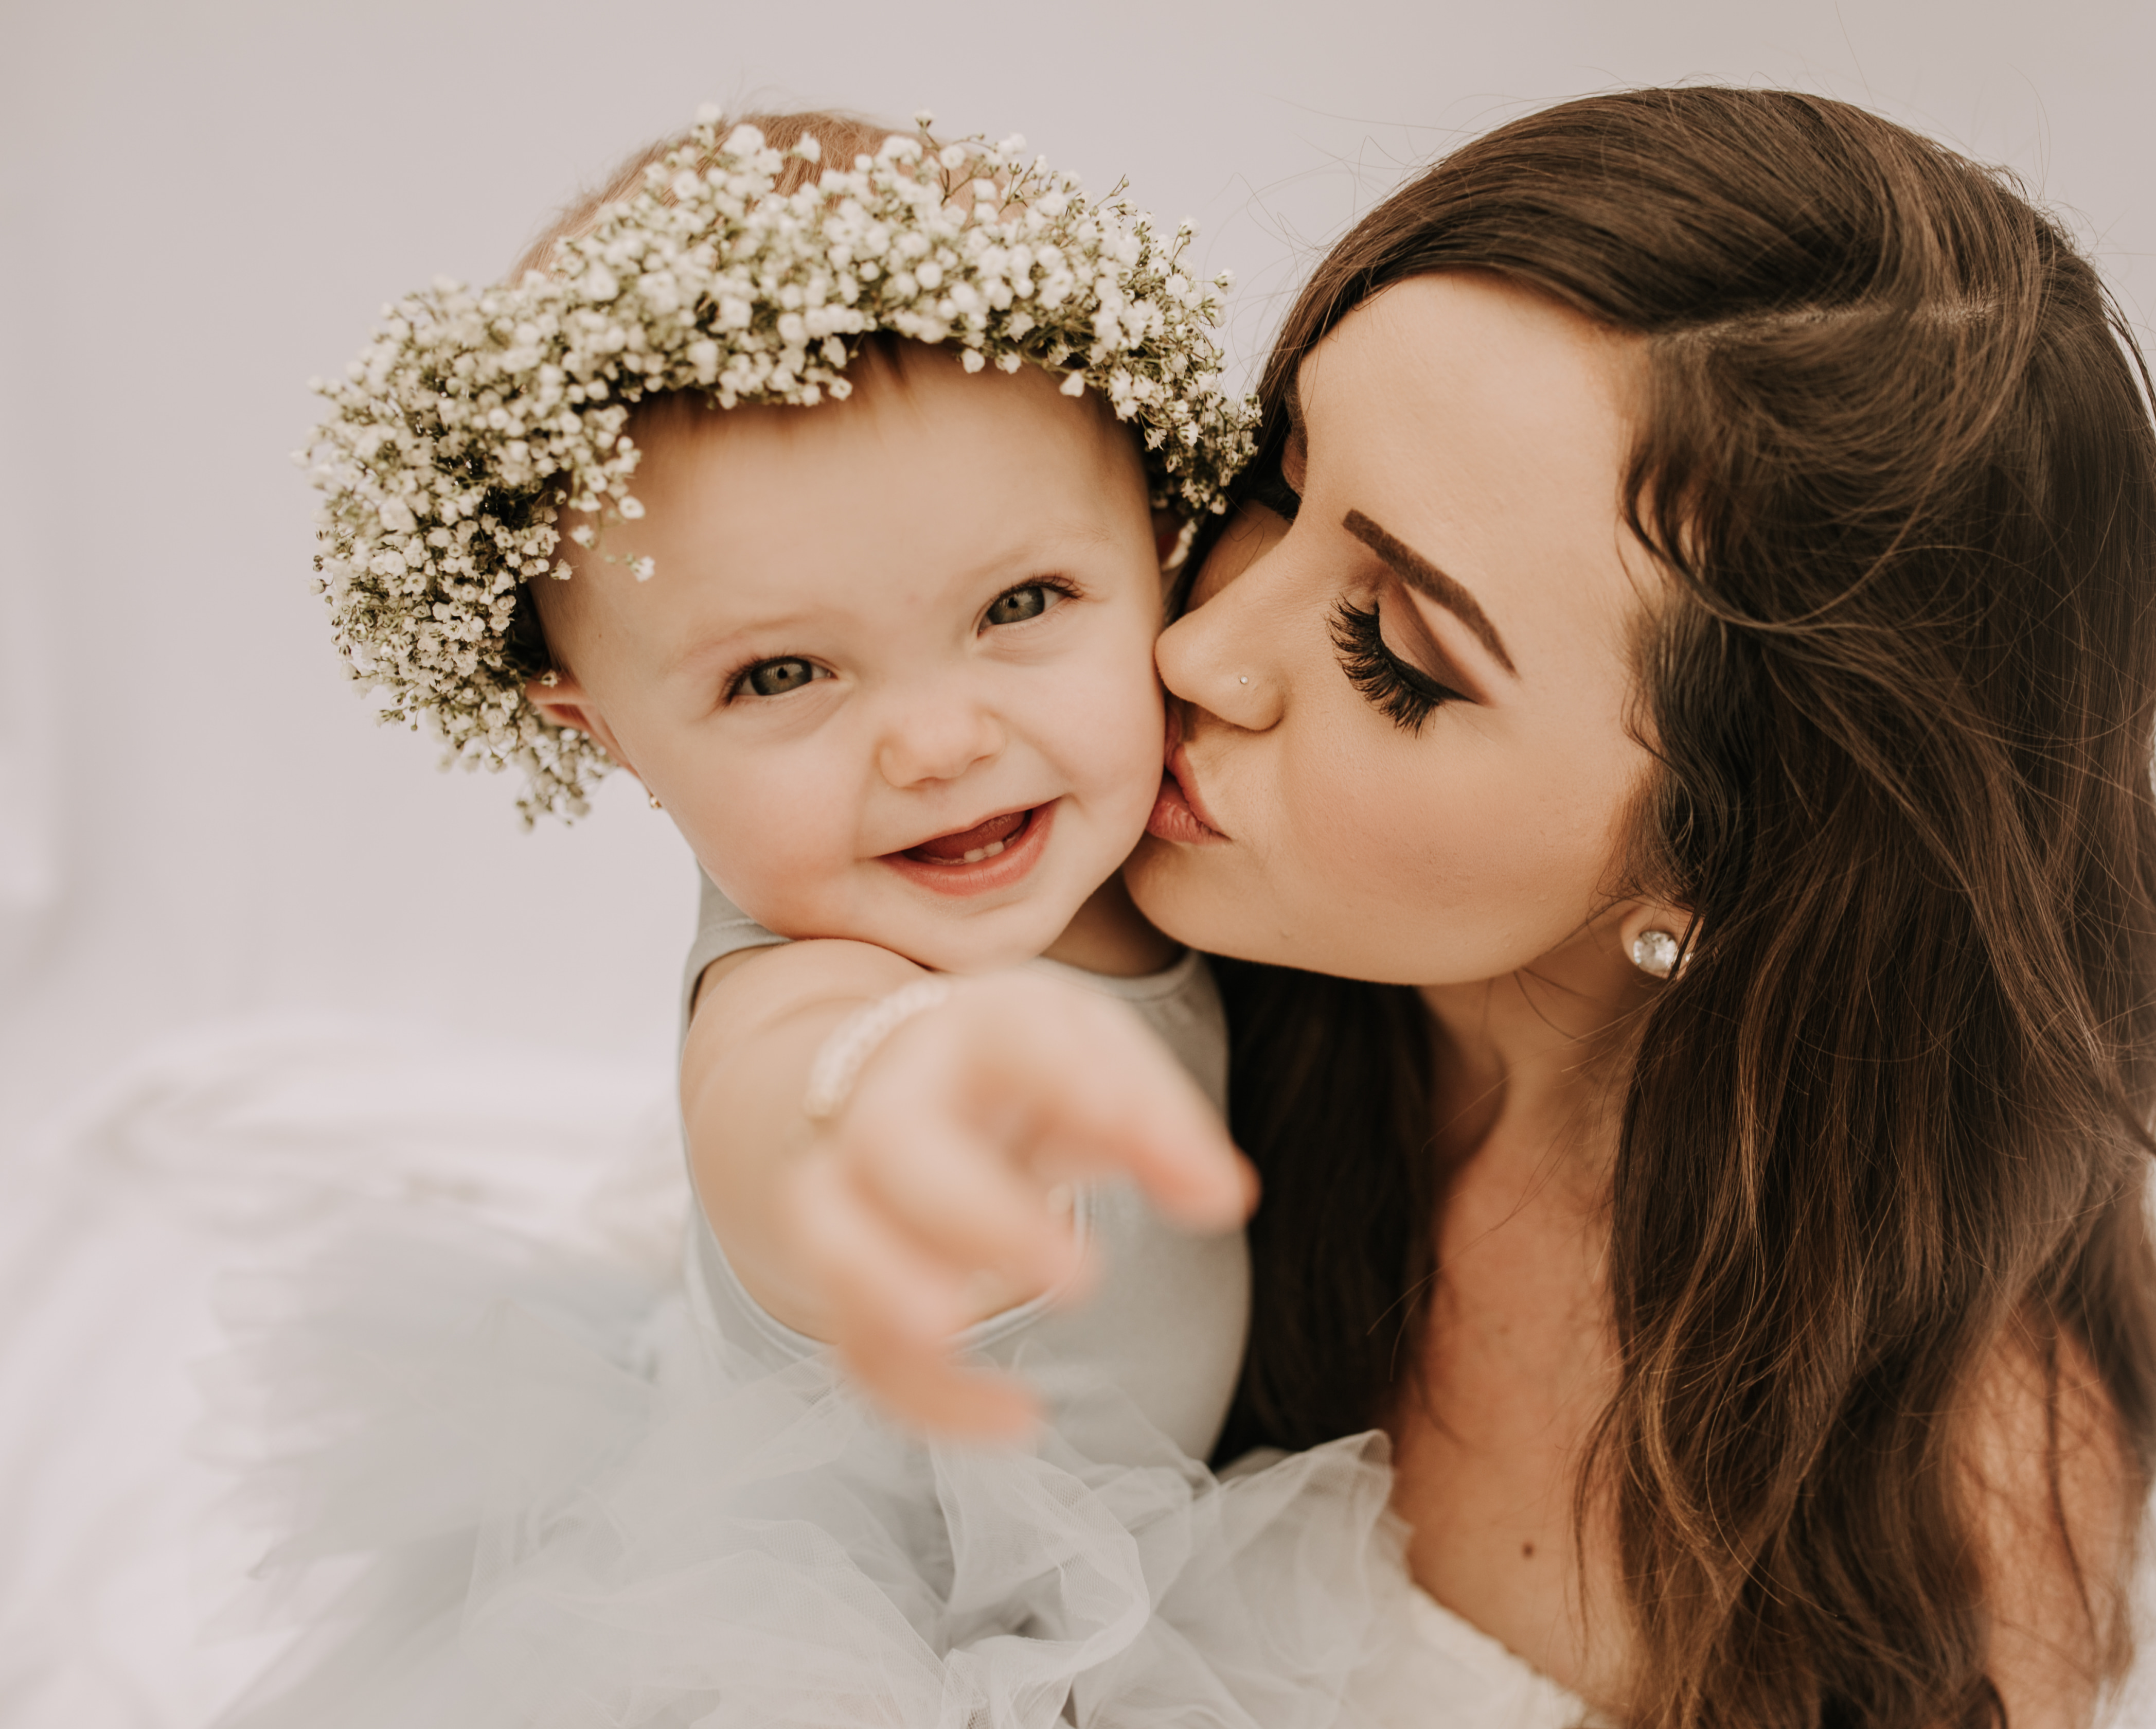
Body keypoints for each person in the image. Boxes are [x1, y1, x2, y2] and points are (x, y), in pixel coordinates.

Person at [787, 86, 2156, 1728]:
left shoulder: (1931, 1485)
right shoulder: (1061, 895)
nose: (1201, 651)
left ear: (1737, 844)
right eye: (1275, 479)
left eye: (1394, 650)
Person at [220, 110, 1391, 1729]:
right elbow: (797, 1107)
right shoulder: (802, 989)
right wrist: (901, 1098)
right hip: (850, 1661)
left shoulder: (1135, 835)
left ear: (1165, 550)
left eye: (1021, 606)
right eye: (781, 675)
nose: (937, 740)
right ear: (601, 731)